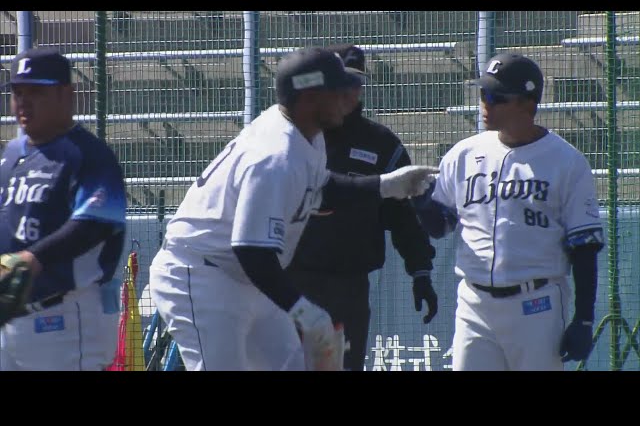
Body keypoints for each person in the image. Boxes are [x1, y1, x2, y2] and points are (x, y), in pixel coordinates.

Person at [149, 47, 437, 371]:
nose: (347, 96)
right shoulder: (274, 157)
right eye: (337, 89)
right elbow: (252, 252)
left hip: (243, 277)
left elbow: (322, 188)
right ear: (310, 97)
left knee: (293, 365)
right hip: (201, 275)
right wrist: (305, 312)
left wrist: (385, 186)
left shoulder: (305, 133)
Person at [414, 53, 604, 371]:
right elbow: (439, 226)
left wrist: (584, 318)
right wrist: (419, 202)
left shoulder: (566, 161)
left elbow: (584, 246)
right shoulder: (463, 154)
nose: (485, 102)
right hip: (474, 304)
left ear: (528, 104)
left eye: (496, 96)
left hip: (537, 305)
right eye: (483, 93)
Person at [285, 44, 438, 371]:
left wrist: (420, 270)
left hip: (348, 288)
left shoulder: (381, 143)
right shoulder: (295, 136)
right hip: (292, 282)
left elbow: (403, 216)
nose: (349, 91)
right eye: (341, 82)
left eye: (356, 82)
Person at [0, 47, 126, 371]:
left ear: (66, 94)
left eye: (36, 92)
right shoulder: (12, 153)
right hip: (10, 319)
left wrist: (32, 259)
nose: (24, 102)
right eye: (18, 92)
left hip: (64, 320)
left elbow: (94, 224)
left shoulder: (89, 155)